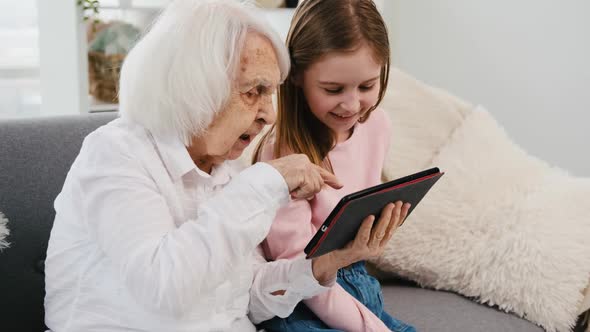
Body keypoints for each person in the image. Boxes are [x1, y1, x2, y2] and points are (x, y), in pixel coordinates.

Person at [43, 1, 403, 331]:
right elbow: (163, 285)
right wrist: (267, 181)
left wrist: (328, 262)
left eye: (271, 92)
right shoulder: (116, 153)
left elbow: (249, 300)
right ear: (196, 86)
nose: (269, 114)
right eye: (254, 92)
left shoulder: (223, 172)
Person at [254, 0, 416, 331]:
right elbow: (298, 271)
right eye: (333, 89)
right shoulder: (282, 156)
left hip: (357, 285)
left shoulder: (378, 126)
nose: (352, 104)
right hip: (300, 299)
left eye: (367, 86)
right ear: (296, 75)